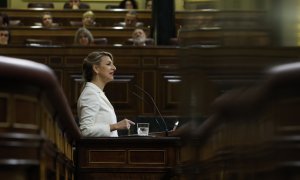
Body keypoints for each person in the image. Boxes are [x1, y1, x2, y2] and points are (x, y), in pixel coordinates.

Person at [77, 51, 135, 137]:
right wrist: (115, 126)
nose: (114, 68)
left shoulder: (96, 92)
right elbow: (85, 131)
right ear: (96, 69)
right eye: (108, 64)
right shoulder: (90, 94)